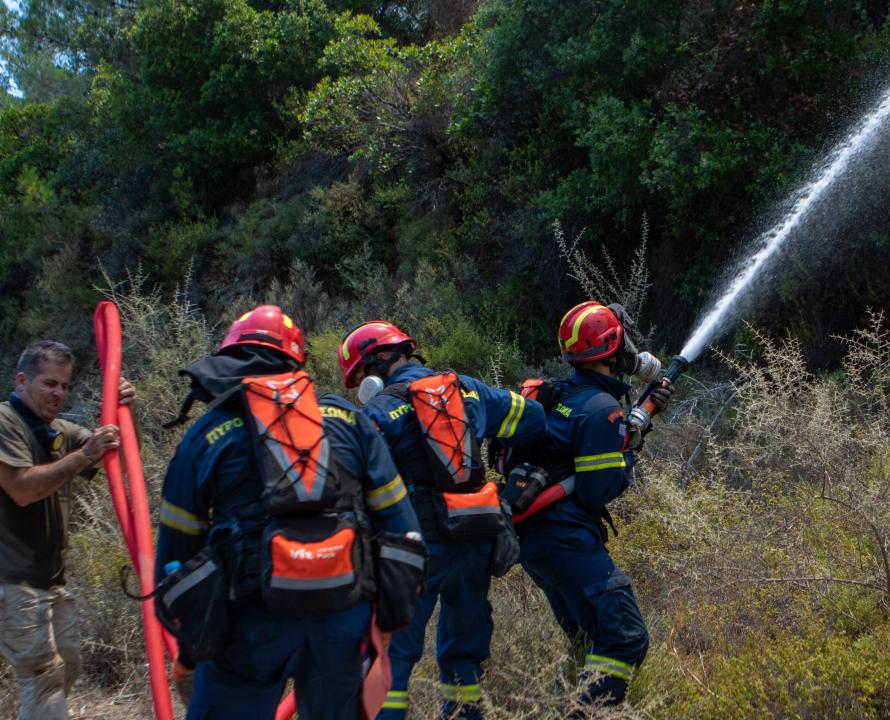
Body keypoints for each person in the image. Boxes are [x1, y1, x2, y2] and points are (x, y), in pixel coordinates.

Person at [156, 305, 420, 719]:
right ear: (299, 360)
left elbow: (173, 562)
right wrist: (384, 625)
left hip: (247, 626)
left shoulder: (205, 437)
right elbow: (404, 531)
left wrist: (191, 651)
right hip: (342, 617)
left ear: (228, 357)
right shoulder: (349, 420)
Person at [338, 321, 545, 720]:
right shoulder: (465, 388)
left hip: (415, 544)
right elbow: (533, 418)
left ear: (376, 363)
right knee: (463, 652)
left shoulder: (382, 409)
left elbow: (356, 477)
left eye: (360, 375)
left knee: (394, 654)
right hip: (474, 532)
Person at [516, 301, 670, 710]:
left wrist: (635, 424)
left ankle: (564, 706)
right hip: (567, 539)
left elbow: (576, 450)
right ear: (612, 348)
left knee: (588, 641)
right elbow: (597, 490)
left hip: (537, 543)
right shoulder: (603, 409)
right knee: (625, 638)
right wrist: (631, 449)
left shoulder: (561, 394)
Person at [0, 340, 135, 720]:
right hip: (13, 582)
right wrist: (85, 453)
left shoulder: (59, 430)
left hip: (52, 581)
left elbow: (121, 463)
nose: (58, 393)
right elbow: (23, 489)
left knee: (67, 668)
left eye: (63, 385)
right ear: (22, 380)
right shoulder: (4, 423)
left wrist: (128, 413)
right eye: (49, 384)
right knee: (43, 680)